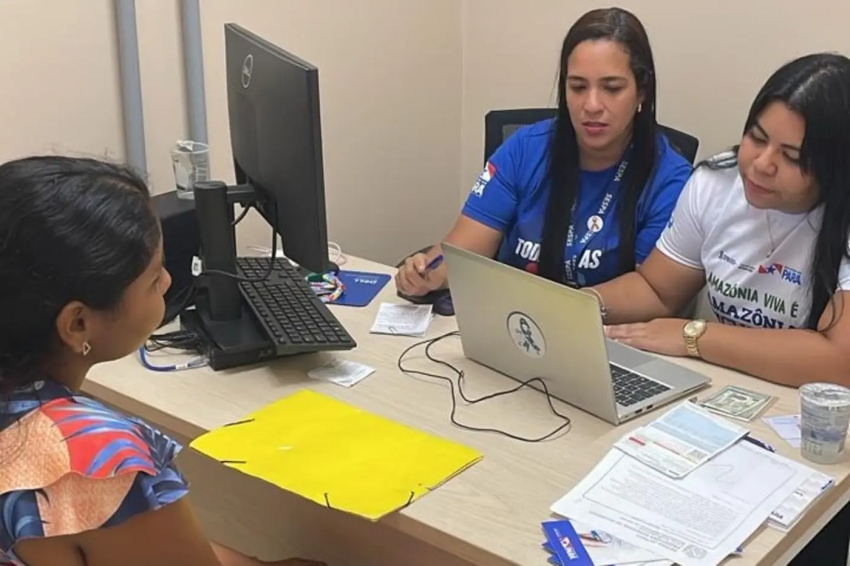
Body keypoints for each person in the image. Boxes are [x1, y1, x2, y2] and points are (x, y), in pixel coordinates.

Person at [0, 156, 323, 566]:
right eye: (154, 279)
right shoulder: (96, 457)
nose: (169, 281)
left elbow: (145, 544)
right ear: (78, 324)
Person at [395, 7, 692, 296]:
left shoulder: (671, 179)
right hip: (509, 322)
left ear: (641, 92)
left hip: (605, 336)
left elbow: (654, 294)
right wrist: (429, 274)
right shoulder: (524, 149)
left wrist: (566, 312)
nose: (591, 105)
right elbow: (464, 252)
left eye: (611, 88)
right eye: (577, 87)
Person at [595, 52, 850, 390]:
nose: (761, 164)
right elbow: (657, 289)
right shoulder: (717, 182)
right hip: (728, 387)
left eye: (791, 156)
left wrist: (694, 336)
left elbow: (839, 362)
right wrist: (578, 306)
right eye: (757, 138)